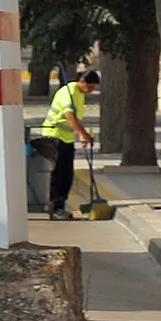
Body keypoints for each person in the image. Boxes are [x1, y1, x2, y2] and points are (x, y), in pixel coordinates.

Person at [39, 67, 102, 218]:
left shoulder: (80, 94)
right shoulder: (69, 91)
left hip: (65, 137)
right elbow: (70, 117)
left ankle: (59, 205)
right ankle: (56, 207)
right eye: (90, 87)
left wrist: (81, 135)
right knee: (59, 174)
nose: (91, 91)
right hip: (54, 135)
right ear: (82, 81)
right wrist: (83, 134)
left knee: (67, 174)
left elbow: (76, 120)